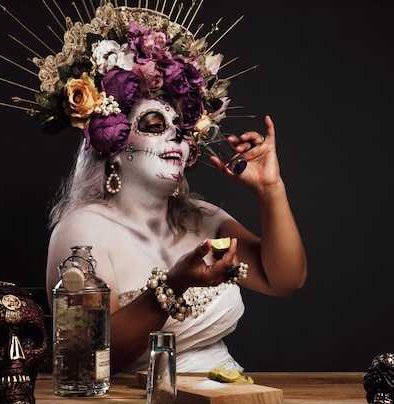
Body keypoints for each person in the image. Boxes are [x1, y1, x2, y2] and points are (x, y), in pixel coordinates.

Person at [36, 3, 307, 374]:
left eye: (180, 128)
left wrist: (270, 189)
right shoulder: (82, 233)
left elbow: (286, 280)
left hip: (224, 397)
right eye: (153, 123)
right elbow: (86, 357)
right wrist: (172, 287)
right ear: (112, 145)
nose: (175, 137)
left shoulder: (204, 219)